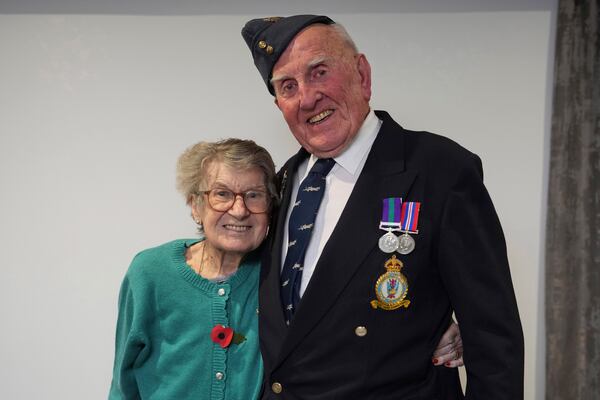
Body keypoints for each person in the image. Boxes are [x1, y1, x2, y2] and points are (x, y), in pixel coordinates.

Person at [241, 15, 524, 399]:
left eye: (320, 72)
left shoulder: (438, 170)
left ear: (362, 74)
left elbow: (494, 340)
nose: (307, 97)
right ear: (280, 105)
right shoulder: (282, 182)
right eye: (288, 87)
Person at [108, 139, 275, 399]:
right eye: (222, 194)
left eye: (254, 195)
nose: (240, 210)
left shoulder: (280, 273)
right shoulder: (150, 272)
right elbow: (123, 385)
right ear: (195, 206)